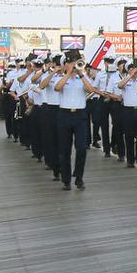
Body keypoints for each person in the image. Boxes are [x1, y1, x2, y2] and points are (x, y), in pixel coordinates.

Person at [51, 49, 98, 190]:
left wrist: (81, 74)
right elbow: (57, 88)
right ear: (65, 64)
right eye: (70, 62)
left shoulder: (82, 77)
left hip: (80, 116)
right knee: (64, 149)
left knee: (81, 148)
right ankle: (66, 180)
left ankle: (79, 177)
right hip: (64, 115)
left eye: (75, 62)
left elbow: (91, 90)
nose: (73, 65)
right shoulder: (61, 78)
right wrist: (68, 73)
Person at [118, 59, 137, 168]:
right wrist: (130, 76)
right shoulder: (126, 79)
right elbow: (120, 86)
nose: (135, 71)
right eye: (132, 68)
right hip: (128, 110)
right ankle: (130, 160)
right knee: (129, 136)